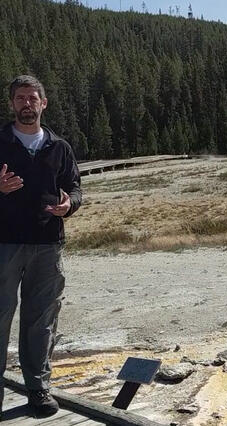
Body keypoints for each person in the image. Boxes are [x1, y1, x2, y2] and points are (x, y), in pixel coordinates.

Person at [0, 75, 81, 418]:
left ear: (44, 103)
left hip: (48, 246)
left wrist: (69, 206)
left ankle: (38, 388)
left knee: (41, 320)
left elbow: (75, 188)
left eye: (33, 98)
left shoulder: (58, 146)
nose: (27, 103)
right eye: (21, 98)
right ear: (12, 104)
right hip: (4, 244)